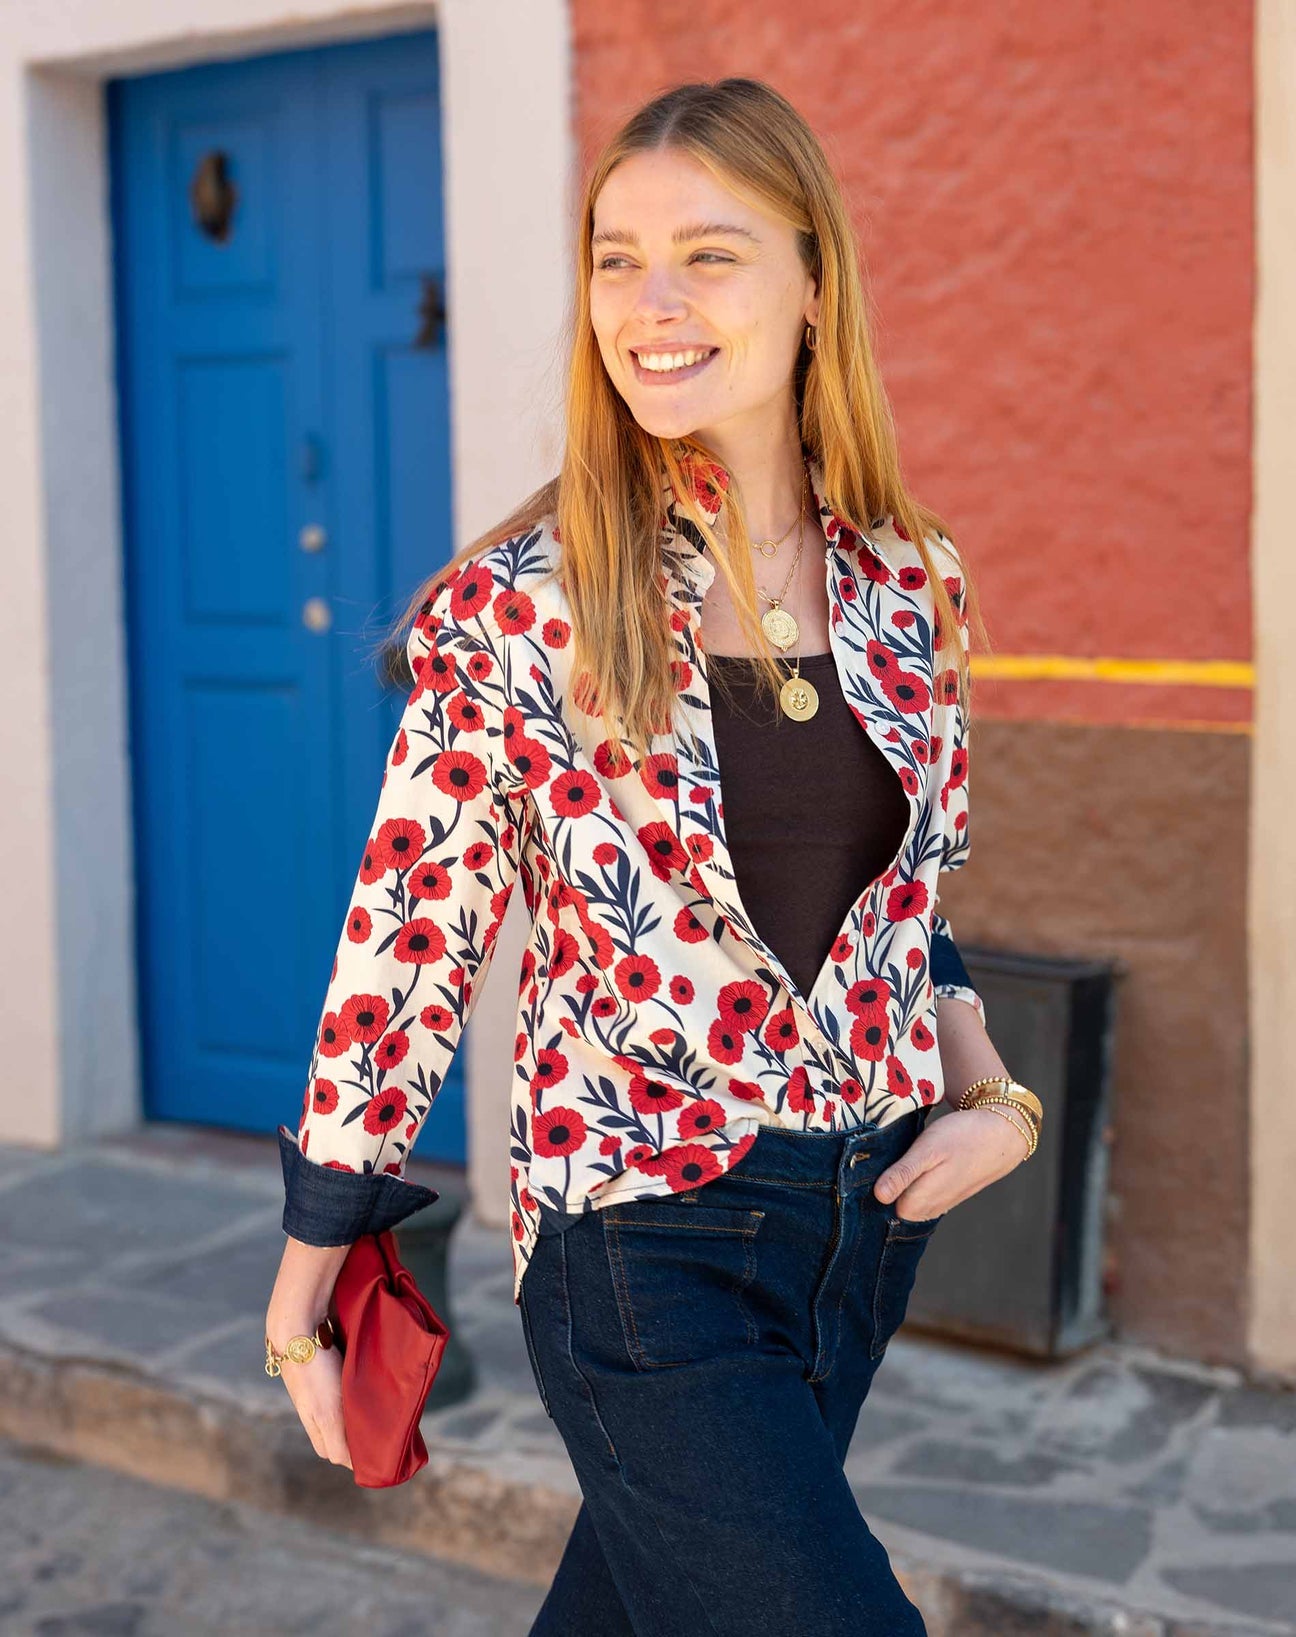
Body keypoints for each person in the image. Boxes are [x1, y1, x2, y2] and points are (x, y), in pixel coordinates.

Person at [264, 75, 1043, 1637]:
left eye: (708, 254)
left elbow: (915, 904)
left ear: (814, 284)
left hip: (861, 1229)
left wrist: (995, 1100)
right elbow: (410, 939)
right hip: (642, 1236)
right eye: (616, 259)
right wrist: (310, 1279)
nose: (650, 302)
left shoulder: (913, 577)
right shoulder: (524, 603)